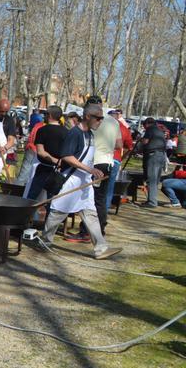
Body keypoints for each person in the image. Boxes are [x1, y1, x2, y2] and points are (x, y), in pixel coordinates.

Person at [39, 104, 122, 260]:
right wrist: (89, 170)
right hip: (70, 180)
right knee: (58, 213)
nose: (100, 121)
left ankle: (101, 248)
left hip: (84, 181)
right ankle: (45, 241)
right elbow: (67, 156)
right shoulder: (75, 133)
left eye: (102, 118)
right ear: (88, 117)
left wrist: (93, 171)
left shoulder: (90, 134)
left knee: (91, 214)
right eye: (98, 118)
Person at [72, 96, 121, 238]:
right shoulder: (113, 121)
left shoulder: (91, 120)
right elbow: (119, 145)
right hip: (108, 162)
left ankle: (88, 231)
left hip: (94, 163)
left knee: (89, 199)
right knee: (101, 198)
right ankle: (99, 229)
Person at [24, 106, 67, 201]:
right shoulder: (66, 132)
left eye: (45, 114)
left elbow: (40, 151)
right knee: (51, 201)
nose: (44, 116)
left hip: (45, 170)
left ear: (50, 115)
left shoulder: (42, 130)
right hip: (58, 169)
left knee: (32, 199)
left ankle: (27, 215)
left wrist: (55, 161)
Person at [139, 117, 167, 207]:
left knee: (151, 179)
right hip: (161, 155)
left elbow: (145, 141)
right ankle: (152, 199)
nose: (144, 127)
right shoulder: (159, 130)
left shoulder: (150, 129)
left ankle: (152, 202)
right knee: (156, 180)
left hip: (153, 155)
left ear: (147, 124)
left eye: (144, 126)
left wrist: (140, 139)